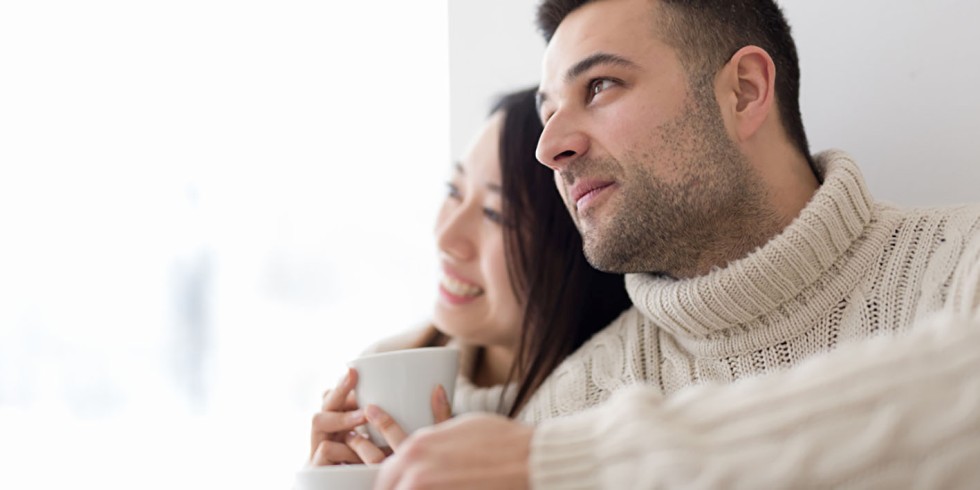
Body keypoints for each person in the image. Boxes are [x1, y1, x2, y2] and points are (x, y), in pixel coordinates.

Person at [374, 0, 980, 488]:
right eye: (549, 108)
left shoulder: (964, 263)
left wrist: (581, 466)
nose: (549, 146)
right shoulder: (572, 406)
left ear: (743, 91)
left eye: (601, 85)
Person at [308, 87, 631, 466]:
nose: (446, 237)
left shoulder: (622, 418)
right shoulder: (386, 371)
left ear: (578, 244)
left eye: (495, 214)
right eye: (454, 192)